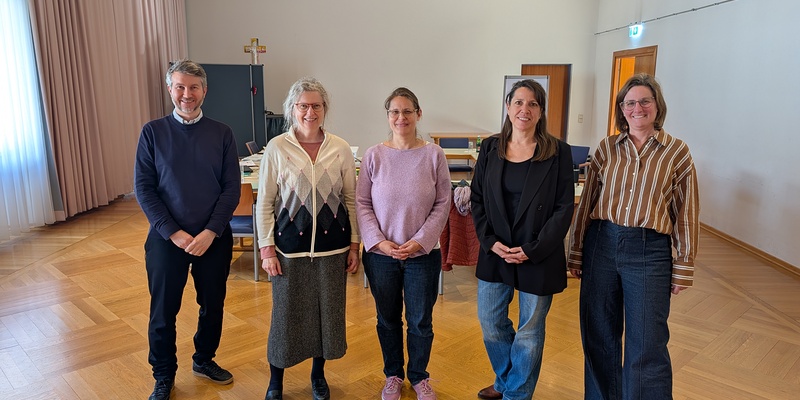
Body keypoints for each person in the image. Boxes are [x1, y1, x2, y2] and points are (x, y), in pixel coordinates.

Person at [567, 73, 699, 400]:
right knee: (599, 335)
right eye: (630, 102)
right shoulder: (606, 149)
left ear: (657, 106)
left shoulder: (677, 152)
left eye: (644, 101)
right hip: (602, 244)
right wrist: (576, 250)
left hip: (649, 250)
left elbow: (686, 212)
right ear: (621, 109)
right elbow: (587, 205)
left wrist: (683, 265)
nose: (637, 108)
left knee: (648, 341)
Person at [134, 59, 240, 400]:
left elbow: (231, 188)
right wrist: (174, 233)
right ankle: (163, 374)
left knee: (213, 304)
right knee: (163, 310)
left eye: (194, 87)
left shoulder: (222, 132)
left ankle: (204, 359)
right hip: (168, 239)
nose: (186, 94)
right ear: (170, 89)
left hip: (213, 238)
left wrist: (211, 231)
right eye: (180, 86)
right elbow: (144, 188)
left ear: (204, 91)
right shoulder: (152, 132)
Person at [256, 77, 360, 400]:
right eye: (303, 106)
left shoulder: (340, 148)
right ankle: (276, 382)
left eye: (316, 105)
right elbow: (265, 202)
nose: (310, 112)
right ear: (292, 109)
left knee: (325, 318)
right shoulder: (277, 148)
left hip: (333, 250)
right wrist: (266, 248)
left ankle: (318, 376)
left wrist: (355, 244)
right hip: (289, 252)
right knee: (284, 318)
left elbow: (352, 199)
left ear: (324, 109)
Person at [471, 79, 574, 400]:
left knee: (529, 331)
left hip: (538, 253)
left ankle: (516, 394)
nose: (524, 110)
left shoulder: (558, 151)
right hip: (496, 250)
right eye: (518, 102)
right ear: (507, 106)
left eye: (532, 104)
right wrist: (489, 242)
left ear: (541, 111)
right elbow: (477, 199)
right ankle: (507, 380)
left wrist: (533, 249)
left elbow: (563, 207)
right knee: (490, 321)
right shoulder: (490, 147)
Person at [355, 87, 451, 400]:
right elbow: (362, 203)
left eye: (407, 111)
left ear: (418, 114)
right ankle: (393, 375)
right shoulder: (373, 155)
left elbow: (443, 202)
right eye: (395, 112)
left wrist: (420, 241)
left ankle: (420, 376)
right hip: (382, 255)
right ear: (388, 117)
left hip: (422, 255)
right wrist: (379, 242)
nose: (401, 117)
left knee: (421, 321)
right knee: (387, 319)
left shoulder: (434, 154)